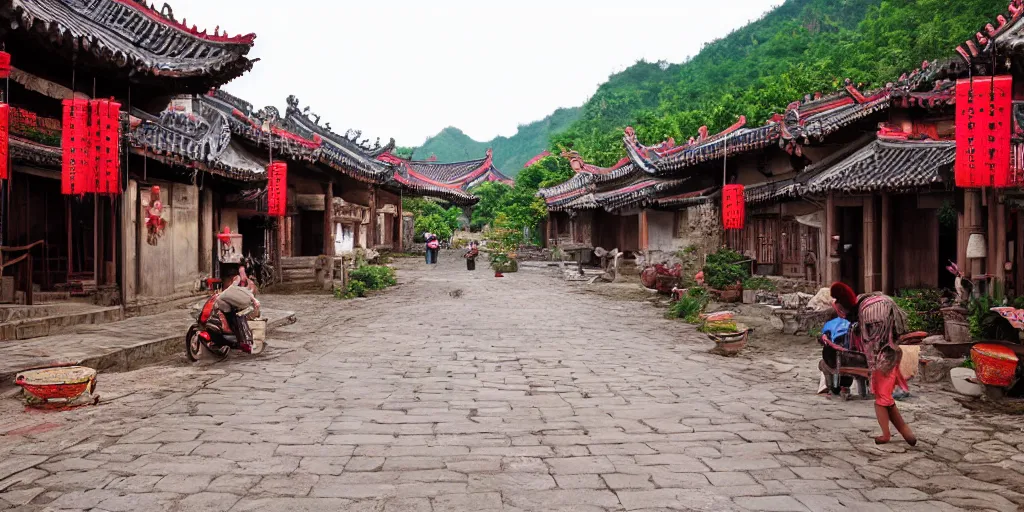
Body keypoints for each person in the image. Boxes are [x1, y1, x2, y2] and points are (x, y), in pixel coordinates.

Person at [831, 282, 917, 446]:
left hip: (884, 359)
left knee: (881, 402)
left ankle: (886, 435)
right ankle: (908, 434)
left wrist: (873, 366)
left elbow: (874, 344)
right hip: (887, 357)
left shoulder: (870, 313)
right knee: (886, 401)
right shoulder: (867, 307)